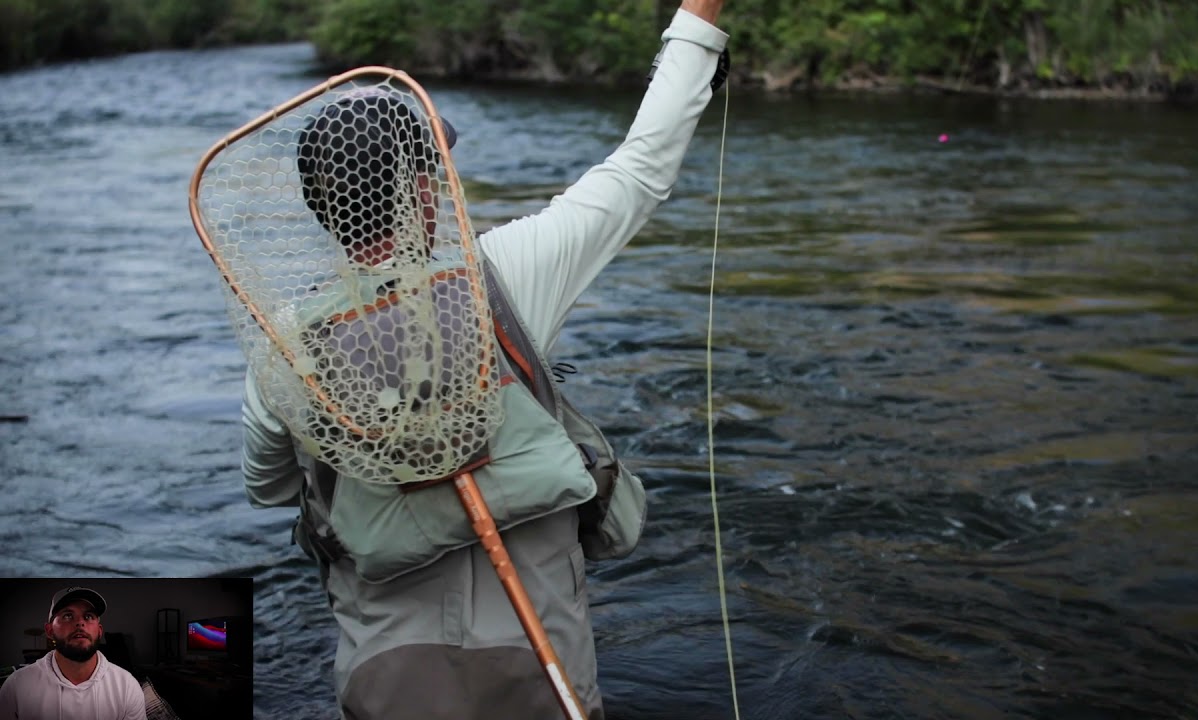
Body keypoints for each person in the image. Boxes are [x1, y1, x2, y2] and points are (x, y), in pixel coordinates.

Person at [239, 1, 729, 718]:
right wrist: (699, 19)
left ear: (324, 210)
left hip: (385, 682)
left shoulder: (279, 348)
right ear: (425, 192)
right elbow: (642, 167)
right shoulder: (506, 276)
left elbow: (272, 490)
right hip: (543, 670)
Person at [0, 587, 146, 720]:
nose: (80, 623)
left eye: (88, 616)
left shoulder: (127, 686)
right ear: (49, 630)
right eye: (68, 616)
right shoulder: (16, 686)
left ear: (100, 631)